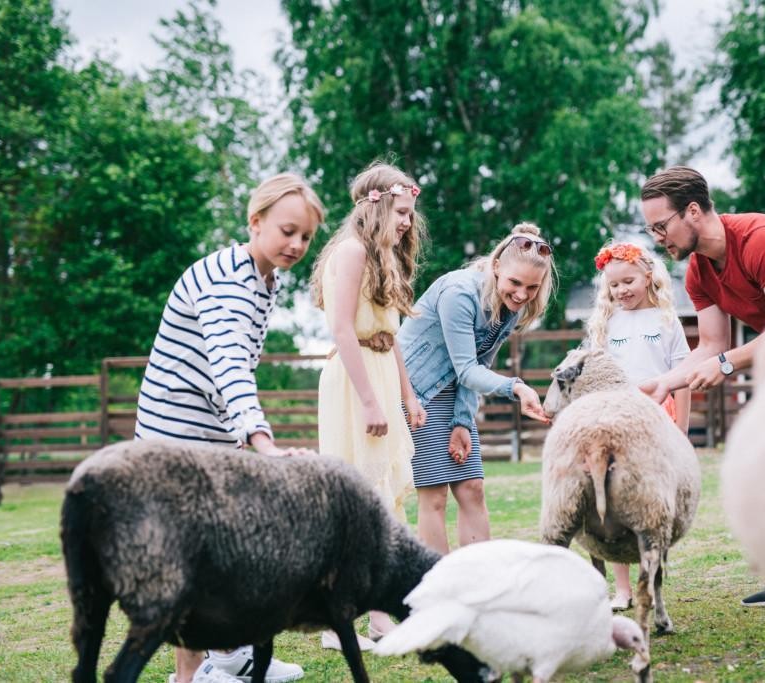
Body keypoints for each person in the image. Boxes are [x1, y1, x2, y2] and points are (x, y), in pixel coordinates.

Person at [134, 173, 324, 683]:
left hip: (213, 435)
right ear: (255, 221)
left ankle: (232, 652)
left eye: (305, 236)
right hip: (176, 437)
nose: (296, 244)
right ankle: (190, 676)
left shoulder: (263, 277)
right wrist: (261, 440)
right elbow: (229, 365)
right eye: (287, 231)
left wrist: (241, 436)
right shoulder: (226, 282)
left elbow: (236, 365)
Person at [637, 165, 765, 607]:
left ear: (692, 211)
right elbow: (711, 344)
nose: (658, 238)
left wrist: (727, 365)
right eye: (651, 229)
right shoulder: (699, 271)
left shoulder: (761, 239)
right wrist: (664, 383)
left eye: (661, 226)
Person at [310, 162, 428, 651]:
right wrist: (369, 400)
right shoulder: (353, 251)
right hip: (353, 380)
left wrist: (406, 394)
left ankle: (380, 612)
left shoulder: (385, 256)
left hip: (379, 371)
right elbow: (342, 328)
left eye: (410, 213)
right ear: (377, 205)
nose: (407, 222)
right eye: (402, 211)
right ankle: (356, 619)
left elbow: (391, 335)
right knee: (362, 497)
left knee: (386, 499)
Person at [397, 223, 554, 556]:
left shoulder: (512, 305)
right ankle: (438, 588)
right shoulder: (460, 293)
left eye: (531, 287)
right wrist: (517, 387)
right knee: (435, 493)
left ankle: (481, 583)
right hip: (416, 392)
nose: (522, 295)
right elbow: (467, 369)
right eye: (515, 283)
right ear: (496, 266)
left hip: (454, 391)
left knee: (472, 488)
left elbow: (477, 367)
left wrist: (461, 423)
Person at [585, 241, 691, 610]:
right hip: (615, 421)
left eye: (628, 281)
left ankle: (651, 582)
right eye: (613, 285)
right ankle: (622, 589)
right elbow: (593, 376)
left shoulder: (666, 320)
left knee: (649, 505)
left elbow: (683, 375)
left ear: (648, 276)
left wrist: (683, 431)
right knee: (613, 503)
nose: (621, 291)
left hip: (658, 421)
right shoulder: (605, 323)